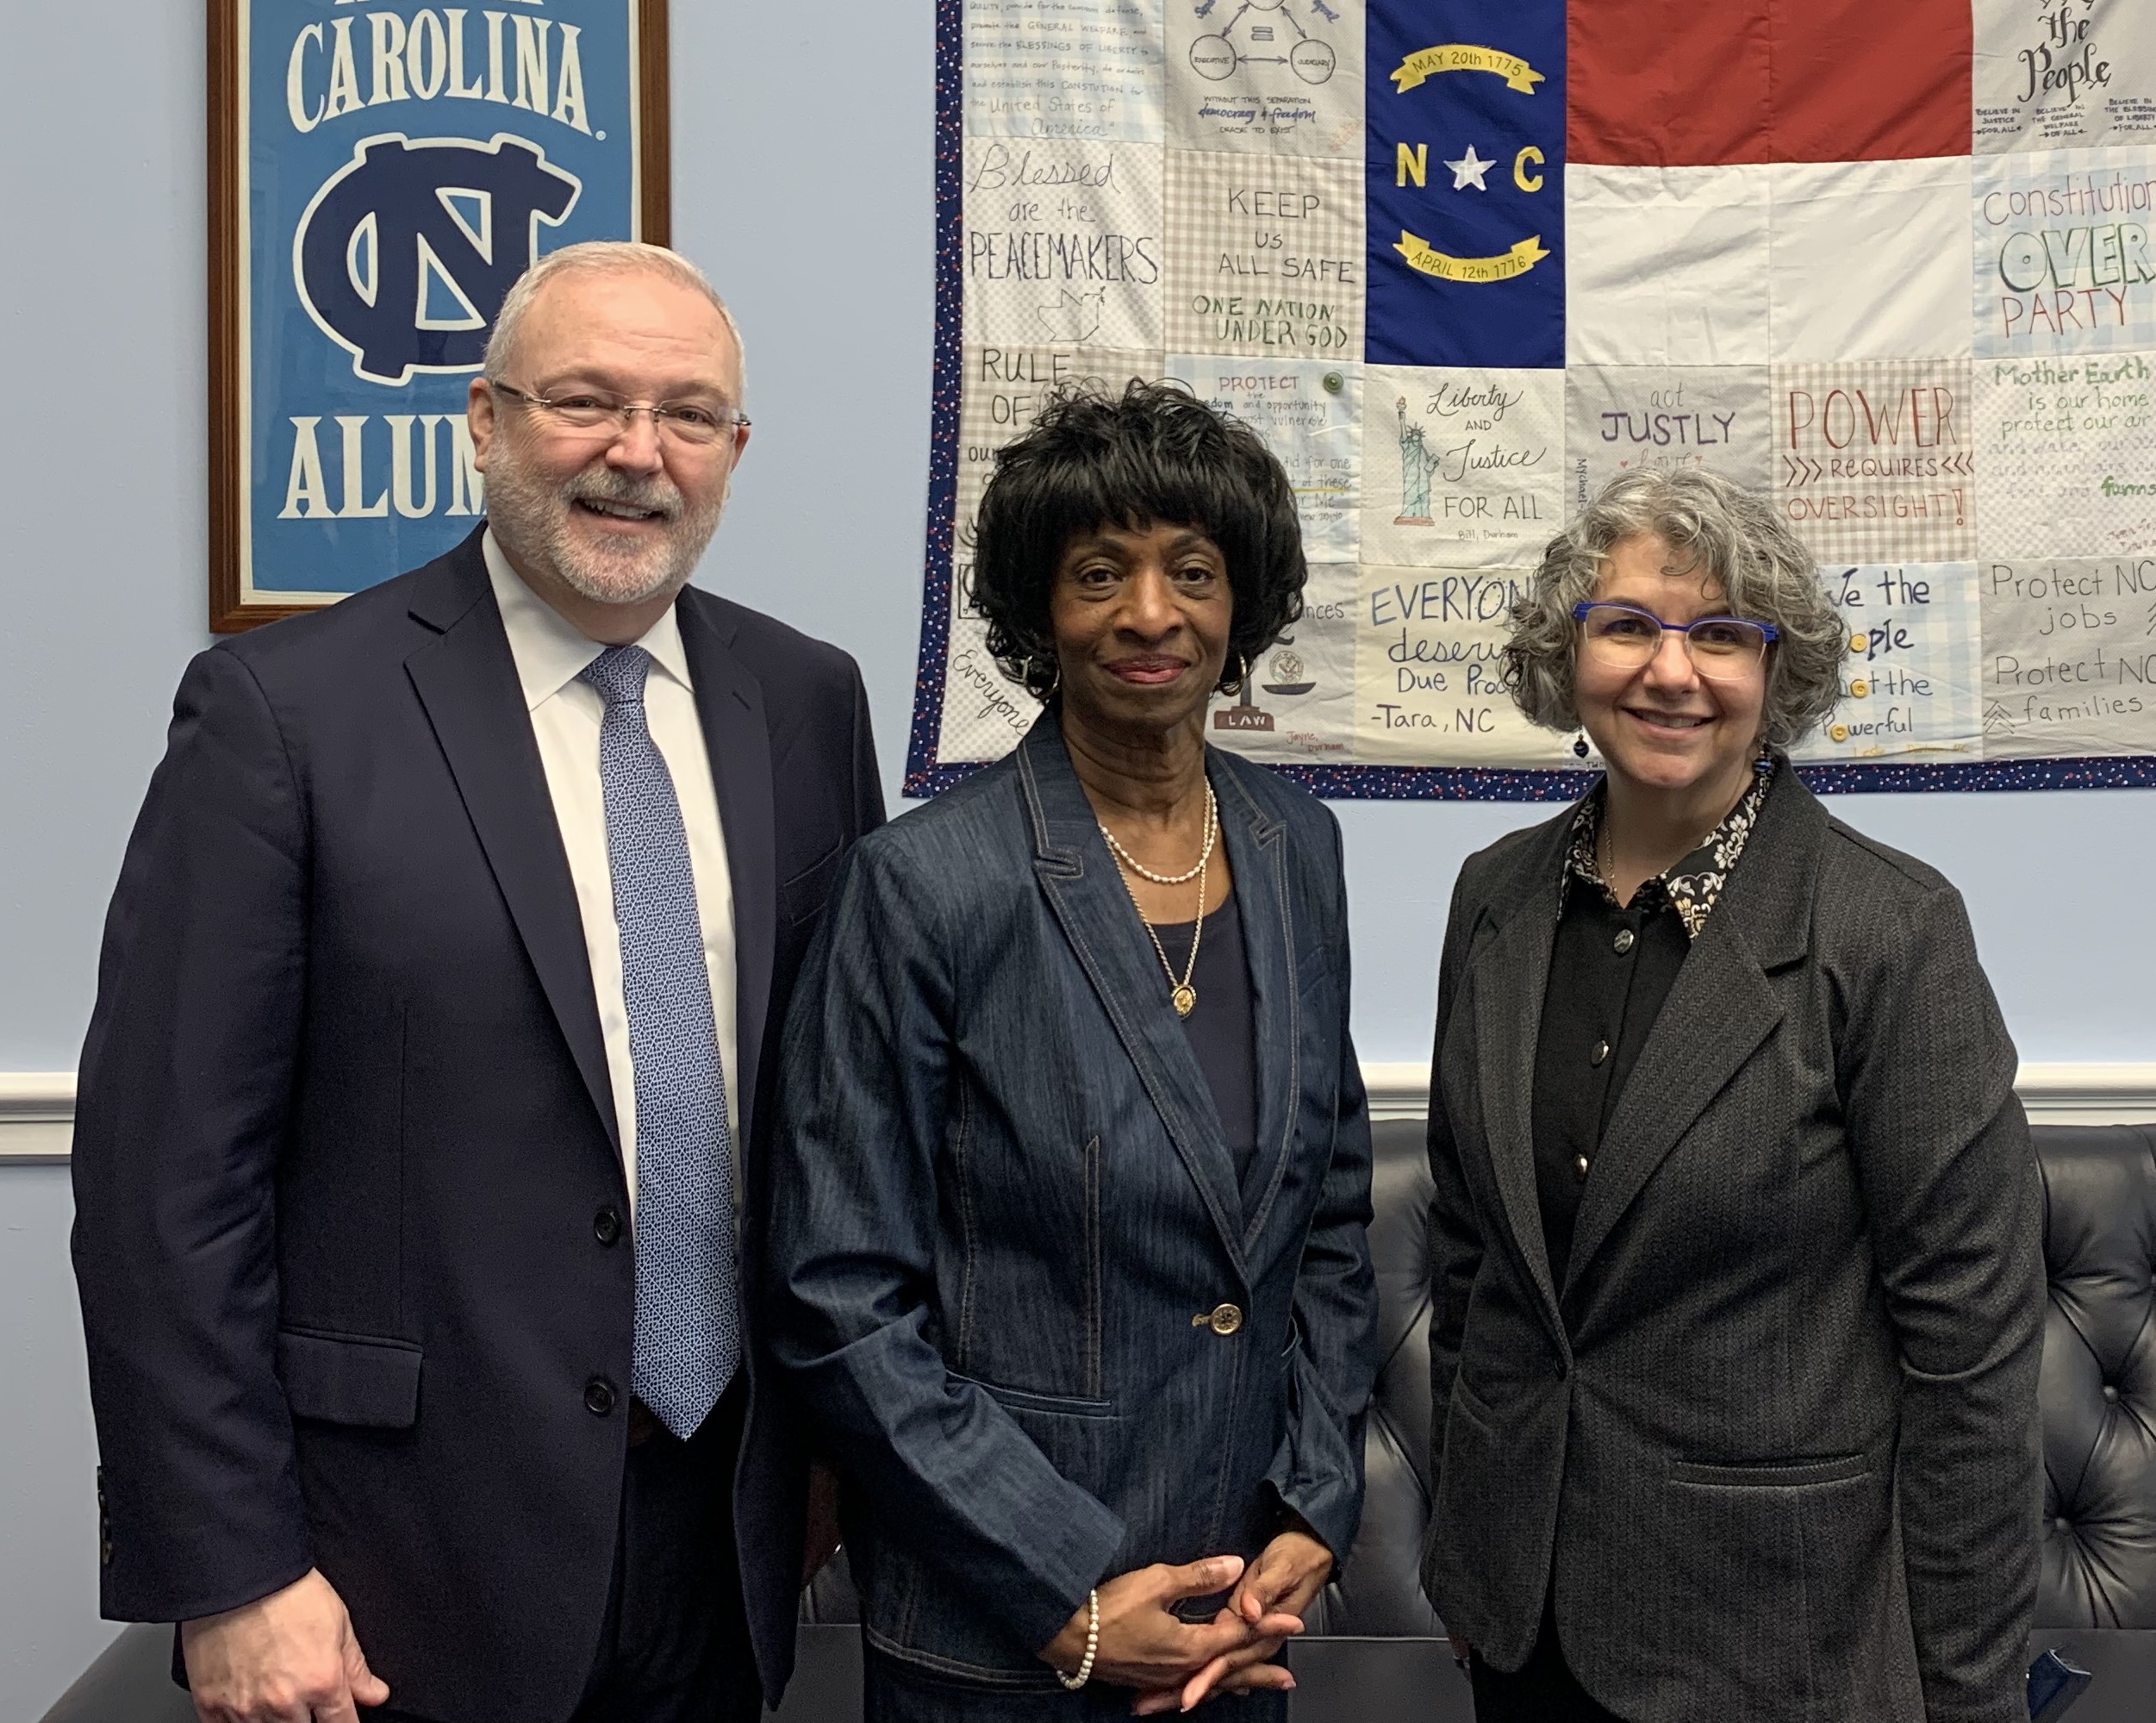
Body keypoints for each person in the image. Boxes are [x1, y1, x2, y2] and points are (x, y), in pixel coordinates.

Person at [71, 241, 883, 1723]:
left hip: (731, 1533)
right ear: (486, 421)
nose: (639, 453)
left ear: (734, 452)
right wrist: (233, 1574)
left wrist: (834, 1447)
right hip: (394, 1570)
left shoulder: (808, 705)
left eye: (688, 416)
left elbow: (839, 1121)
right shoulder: (285, 715)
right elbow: (163, 1187)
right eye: (586, 400)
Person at [764, 380, 1380, 1718]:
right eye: (1101, 572)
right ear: (1043, 611)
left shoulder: (1298, 849)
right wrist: (1061, 1589)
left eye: (1194, 571)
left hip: (1236, 1619)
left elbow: (1330, 1221)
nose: (1150, 614)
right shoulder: (924, 883)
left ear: (1246, 603)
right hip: (1002, 1631)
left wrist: (1315, 1506)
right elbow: (840, 1292)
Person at [1419, 466, 2045, 1722]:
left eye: (1721, 635)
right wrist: (1471, 1560)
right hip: (1518, 1624)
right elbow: (1469, 1260)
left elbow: (1970, 1353)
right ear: (1568, 652)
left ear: (1779, 674)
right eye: (1628, 627)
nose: (1671, 671)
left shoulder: (1890, 929)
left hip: (1773, 1637)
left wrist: (1972, 1694)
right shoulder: (1493, 895)